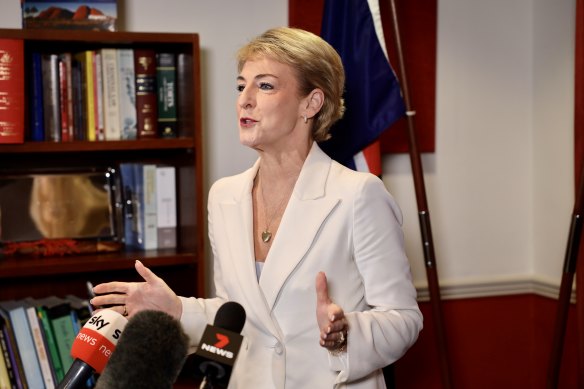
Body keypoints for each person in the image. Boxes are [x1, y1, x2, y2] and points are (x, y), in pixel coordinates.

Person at [92, 26, 422, 388]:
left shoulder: (359, 194)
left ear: (311, 103)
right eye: (240, 86)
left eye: (264, 86)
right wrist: (178, 310)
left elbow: (403, 318)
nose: (244, 100)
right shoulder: (224, 196)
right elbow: (236, 317)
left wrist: (345, 334)